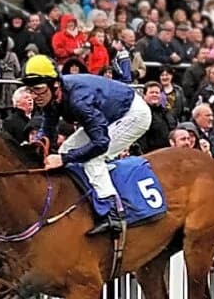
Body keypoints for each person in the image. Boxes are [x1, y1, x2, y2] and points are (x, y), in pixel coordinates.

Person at [49, 63, 147, 236]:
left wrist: (64, 160)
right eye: (31, 91)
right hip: (109, 112)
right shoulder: (51, 95)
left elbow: (100, 142)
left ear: (55, 86)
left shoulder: (78, 101)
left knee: (94, 157)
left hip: (133, 113)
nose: (35, 96)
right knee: (66, 148)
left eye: (38, 90)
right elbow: (48, 127)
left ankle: (113, 214)